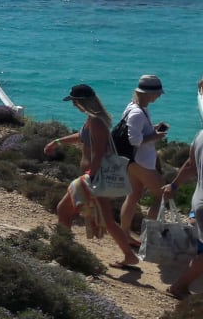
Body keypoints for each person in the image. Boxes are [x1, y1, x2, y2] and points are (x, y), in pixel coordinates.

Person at [48, 83, 142, 271]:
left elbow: (99, 152)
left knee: (64, 210)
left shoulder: (97, 122)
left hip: (93, 177)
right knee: (106, 219)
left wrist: (91, 175)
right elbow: (82, 137)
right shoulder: (93, 119)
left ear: (84, 102)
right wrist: (57, 142)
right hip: (91, 176)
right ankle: (129, 256)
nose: (74, 105)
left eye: (75, 101)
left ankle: (64, 250)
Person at [161, 75, 203, 300]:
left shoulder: (199, 137)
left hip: (199, 200)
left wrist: (174, 185)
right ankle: (179, 286)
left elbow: (189, 166)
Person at [119, 74, 168, 233]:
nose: (159, 96)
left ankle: (125, 233)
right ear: (147, 93)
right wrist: (155, 136)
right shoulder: (137, 113)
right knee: (163, 195)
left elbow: (136, 132)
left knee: (133, 196)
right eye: (157, 93)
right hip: (142, 162)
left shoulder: (134, 107)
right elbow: (134, 139)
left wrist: (152, 128)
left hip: (133, 161)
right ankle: (149, 235)